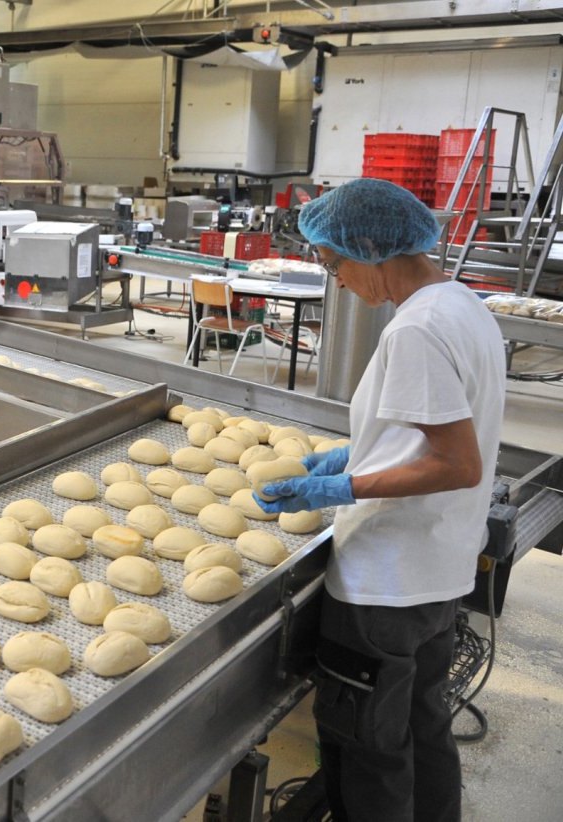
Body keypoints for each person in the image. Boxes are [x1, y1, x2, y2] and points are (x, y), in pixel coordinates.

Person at [254, 178, 506, 822]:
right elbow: (444, 428)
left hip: (385, 584)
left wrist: (342, 485)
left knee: (368, 746)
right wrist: (357, 451)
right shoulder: (461, 305)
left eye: (334, 262)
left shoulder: (415, 330)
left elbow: (456, 460)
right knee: (423, 729)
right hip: (439, 568)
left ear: (370, 248)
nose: (335, 280)